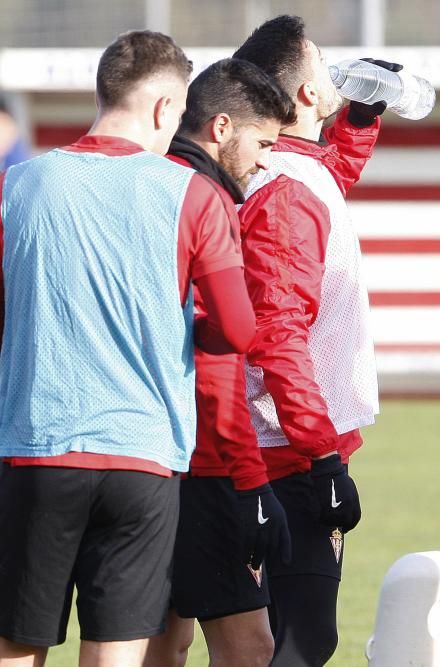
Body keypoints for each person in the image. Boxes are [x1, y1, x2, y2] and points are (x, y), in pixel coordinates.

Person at [0, 31, 257, 667]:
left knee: (12, 648)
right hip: (143, 456)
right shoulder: (194, 194)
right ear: (164, 107)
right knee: (115, 654)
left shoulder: (18, 185)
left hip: (39, 448)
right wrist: (175, 332)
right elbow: (237, 329)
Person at [232, 15, 390, 665]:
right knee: (294, 642)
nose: (333, 77)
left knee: (293, 639)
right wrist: (321, 456)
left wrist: (362, 116)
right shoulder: (288, 188)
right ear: (302, 95)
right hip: (285, 454)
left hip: (286, 444)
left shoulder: (298, 169)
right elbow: (279, 332)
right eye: (323, 68)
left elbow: (331, 174)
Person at [143, 58, 297, 667]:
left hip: (136, 454)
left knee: (158, 639)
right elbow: (217, 355)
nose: (265, 160)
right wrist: (250, 478)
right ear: (222, 126)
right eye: (263, 142)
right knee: (249, 648)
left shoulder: (146, 181)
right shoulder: (201, 197)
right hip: (203, 463)